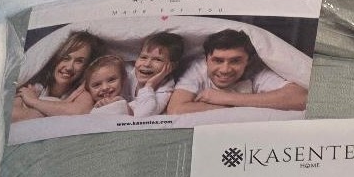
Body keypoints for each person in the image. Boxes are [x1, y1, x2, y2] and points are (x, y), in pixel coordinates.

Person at [166, 28, 307, 114]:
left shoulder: (255, 71)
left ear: (248, 61)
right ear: (206, 60)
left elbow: (301, 98)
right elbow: (176, 109)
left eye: (235, 61)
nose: (225, 70)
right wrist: (229, 107)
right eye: (218, 60)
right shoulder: (197, 68)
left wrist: (225, 98)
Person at [11, 30, 106, 122]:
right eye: (66, 58)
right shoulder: (34, 86)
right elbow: (12, 115)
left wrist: (33, 101)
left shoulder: (81, 92)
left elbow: (79, 111)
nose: (69, 67)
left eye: (79, 61)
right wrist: (61, 107)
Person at [125, 32, 184, 117]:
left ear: (172, 66)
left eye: (157, 60)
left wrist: (150, 85)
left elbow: (142, 115)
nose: (147, 64)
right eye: (143, 57)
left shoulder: (165, 90)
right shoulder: (127, 72)